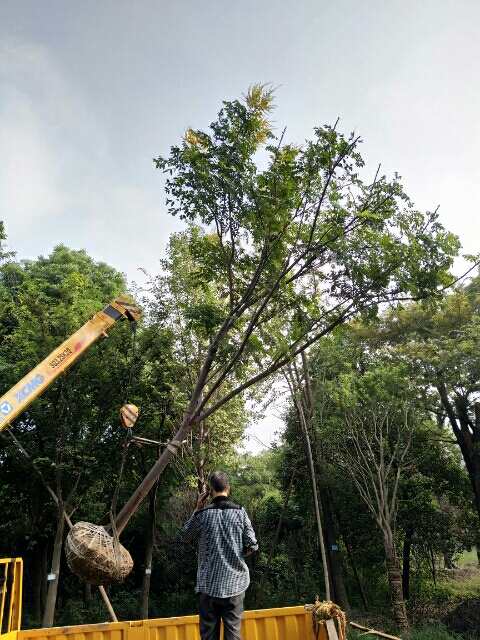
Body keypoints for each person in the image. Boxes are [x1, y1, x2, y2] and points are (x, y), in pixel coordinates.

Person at [181, 471, 258, 640]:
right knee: (233, 636)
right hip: (235, 586)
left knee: (208, 636)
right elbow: (252, 544)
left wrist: (196, 509)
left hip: (207, 586)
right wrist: (238, 553)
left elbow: (185, 536)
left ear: (210, 490)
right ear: (228, 490)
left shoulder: (202, 515)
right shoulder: (240, 512)